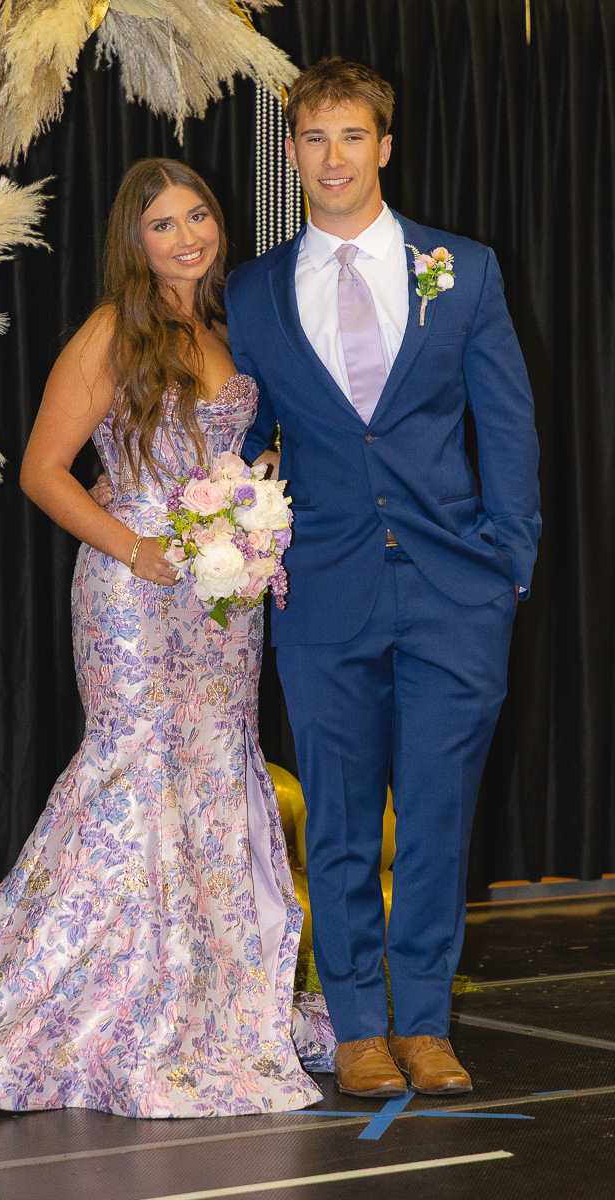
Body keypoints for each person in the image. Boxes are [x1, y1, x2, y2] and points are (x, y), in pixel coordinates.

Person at [0, 158, 322, 1117]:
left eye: (197, 213)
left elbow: (240, 436)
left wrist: (258, 476)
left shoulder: (229, 321)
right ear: (134, 240)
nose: (187, 235)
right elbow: (42, 469)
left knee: (208, 776)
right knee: (134, 773)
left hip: (223, 593)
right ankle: (97, 1006)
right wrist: (135, 546)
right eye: (162, 224)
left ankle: (201, 1001)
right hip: (133, 589)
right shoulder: (116, 329)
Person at [224, 59, 540, 1098]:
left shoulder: (464, 268)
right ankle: (357, 1022)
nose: (331, 158)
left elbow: (505, 425)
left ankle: (425, 1021)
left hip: (456, 593)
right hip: (322, 595)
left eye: (350, 136)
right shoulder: (256, 292)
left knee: (440, 814)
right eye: (312, 139)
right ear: (290, 154)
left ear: (383, 148)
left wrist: (507, 565)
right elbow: (248, 438)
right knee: (343, 818)